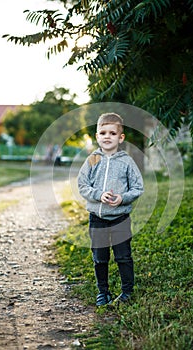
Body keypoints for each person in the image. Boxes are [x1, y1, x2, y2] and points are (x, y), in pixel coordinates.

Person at [78, 113, 144, 306]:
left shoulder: (127, 161)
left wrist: (123, 198)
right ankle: (103, 292)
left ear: (120, 138)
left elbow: (138, 187)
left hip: (120, 218)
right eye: (103, 133)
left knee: (123, 256)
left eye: (112, 133)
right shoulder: (93, 159)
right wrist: (99, 195)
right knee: (100, 257)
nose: (107, 136)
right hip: (97, 218)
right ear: (97, 136)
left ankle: (127, 292)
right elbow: (82, 184)